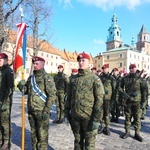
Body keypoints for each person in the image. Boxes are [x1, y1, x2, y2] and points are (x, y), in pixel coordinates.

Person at [65, 52, 104, 150]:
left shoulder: (94, 79)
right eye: (79, 61)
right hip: (75, 117)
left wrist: (96, 119)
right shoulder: (73, 79)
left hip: (89, 117)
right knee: (77, 142)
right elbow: (69, 97)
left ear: (88, 62)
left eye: (83, 61)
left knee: (89, 144)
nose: (81, 63)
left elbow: (99, 100)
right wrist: (66, 113)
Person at [17, 56, 56, 149]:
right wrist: (20, 85)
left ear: (43, 64)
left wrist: (46, 111)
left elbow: (52, 95)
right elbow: (25, 91)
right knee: (33, 135)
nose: (35, 65)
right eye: (34, 63)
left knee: (42, 137)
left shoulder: (47, 78)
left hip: (42, 112)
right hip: (31, 111)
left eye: (37, 63)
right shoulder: (31, 78)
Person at [120, 64, 147, 142]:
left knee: (137, 118)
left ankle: (137, 133)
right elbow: (120, 88)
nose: (131, 69)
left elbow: (144, 91)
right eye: (130, 68)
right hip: (127, 102)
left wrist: (143, 103)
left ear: (136, 69)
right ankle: (127, 132)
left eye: (133, 68)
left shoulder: (140, 79)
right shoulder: (125, 79)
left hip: (137, 102)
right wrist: (124, 95)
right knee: (127, 117)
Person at [0, 53, 14, 150]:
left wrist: (5, 102)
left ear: (5, 60)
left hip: (5, 101)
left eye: (0, 60)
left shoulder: (9, 71)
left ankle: (6, 142)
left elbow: (10, 88)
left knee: (5, 122)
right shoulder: (1, 71)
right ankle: (1, 139)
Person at [98, 64, 116, 135]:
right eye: (103, 69)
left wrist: (113, 99)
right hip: (101, 98)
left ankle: (107, 127)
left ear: (108, 69)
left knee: (107, 113)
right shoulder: (100, 77)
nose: (104, 70)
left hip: (108, 98)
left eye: (105, 69)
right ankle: (102, 126)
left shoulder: (111, 78)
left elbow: (114, 89)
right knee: (101, 113)